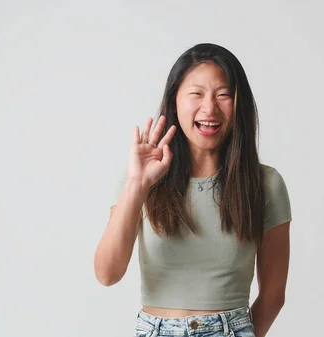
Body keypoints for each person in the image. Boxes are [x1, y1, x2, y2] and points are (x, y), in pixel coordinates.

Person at [94, 43, 292, 337]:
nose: (209, 108)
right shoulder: (141, 177)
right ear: (175, 99)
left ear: (239, 104)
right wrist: (137, 185)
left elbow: (273, 295)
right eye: (196, 94)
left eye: (223, 94)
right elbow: (107, 273)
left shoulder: (265, 184)